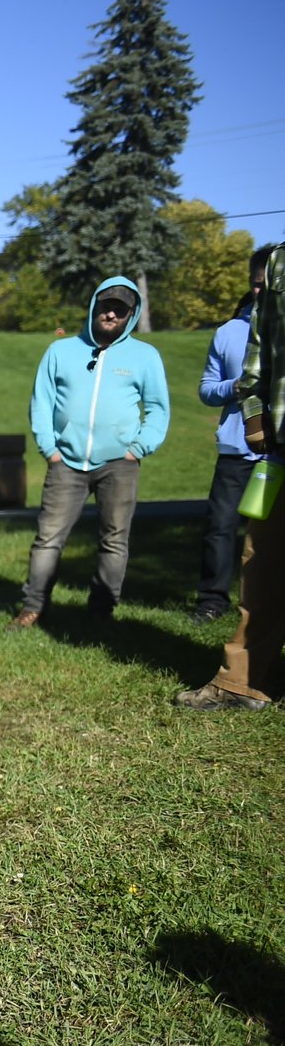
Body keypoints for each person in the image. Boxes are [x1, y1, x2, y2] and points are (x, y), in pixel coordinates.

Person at [10, 277, 170, 629]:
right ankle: (33, 607)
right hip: (65, 461)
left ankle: (102, 610)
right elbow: (42, 402)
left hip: (120, 463)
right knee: (48, 539)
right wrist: (49, 448)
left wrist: (139, 447)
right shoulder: (60, 351)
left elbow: (158, 408)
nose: (111, 313)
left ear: (131, 314)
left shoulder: (144, 356)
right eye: (106, 305)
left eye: (120, 309)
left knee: (114, 540)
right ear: (94, 306)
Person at [178, 243, 284, 711]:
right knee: (262, 562)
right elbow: (256, 368)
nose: (259, 290)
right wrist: (256, 420)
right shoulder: (270, 291)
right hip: (275, 450)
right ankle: (241, 682)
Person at [191, 245, 275, 624]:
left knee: (271, 537)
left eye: (271, 283)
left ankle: (265, 606)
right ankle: (211, 602)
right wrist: (235, 387)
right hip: (237, 449)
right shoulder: (228, 332)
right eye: (257, 284)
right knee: (219, 528)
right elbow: (207, 389)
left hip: (278, 453)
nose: (263, 291)